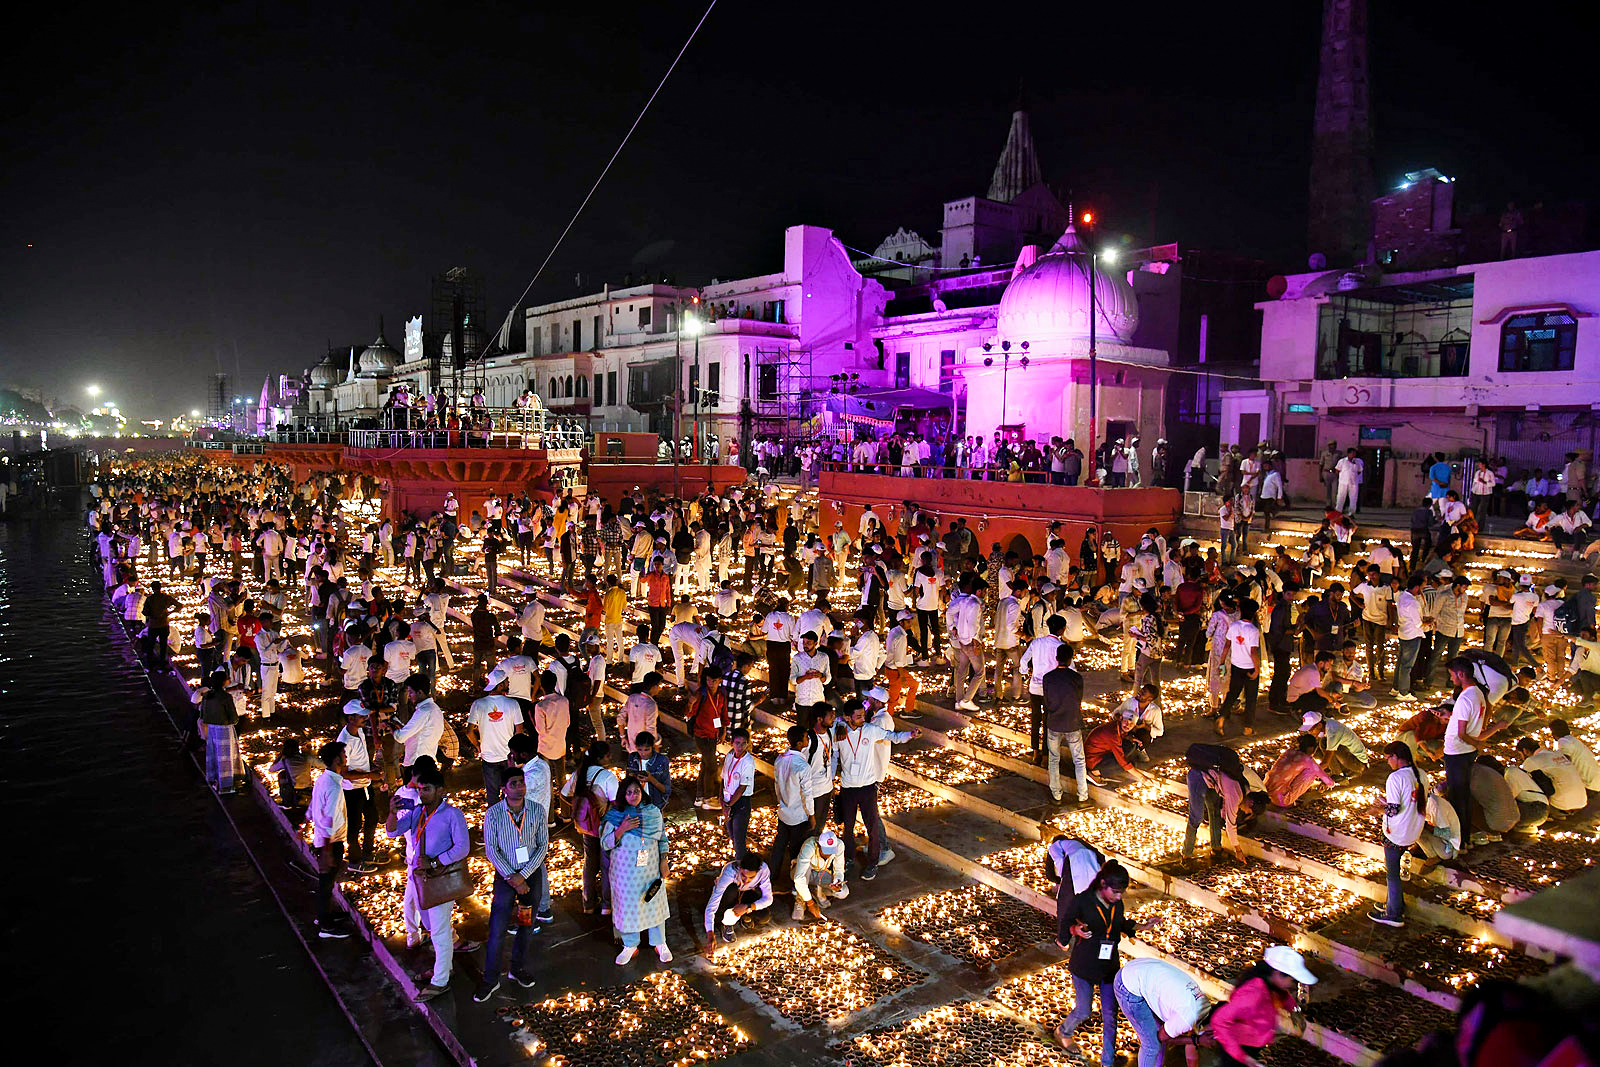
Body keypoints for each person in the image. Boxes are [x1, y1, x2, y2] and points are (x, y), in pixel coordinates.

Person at [1055, 860, 1159, 1065]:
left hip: (1109, 966)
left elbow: (1120, 922)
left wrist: (1144, 926)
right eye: (1116, 892)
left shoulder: (1116, 904)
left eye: (1121, 893)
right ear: (1103, 885)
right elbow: (1066, 920)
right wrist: (1072, 933)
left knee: (1110, 1016)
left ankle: (1107, 1062)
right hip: (1085, 965)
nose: (1119, 897)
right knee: (1084, 1009)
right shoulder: (1082, 901)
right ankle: (1064, 1031)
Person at [385, 764, 471, 1001]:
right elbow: (392, 833)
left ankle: (440, 980)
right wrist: (392, 813)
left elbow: (462, 848)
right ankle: (444, 968)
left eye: (427, 789)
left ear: (441, 790)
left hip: (438, 879)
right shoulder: (417, 813)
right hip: (417, 877)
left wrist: (434, 862)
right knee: (430, 925)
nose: (422, 794)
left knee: (440, 929)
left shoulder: (452, 815)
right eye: (420, 789)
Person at [477, 767, 548, 1001]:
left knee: (526, 924)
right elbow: (491, 850)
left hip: (530, 877)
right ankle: (490, 978)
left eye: (521, 782)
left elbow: (542, 847)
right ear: (503, 789)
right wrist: (512, 877)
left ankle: (517, 969)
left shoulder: (536, 810)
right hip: (506, 878)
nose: (519, 787)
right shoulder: (494, 814)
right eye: (514, 783)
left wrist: (524, 875)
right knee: (498, 927)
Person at [835, 698, 919, 881]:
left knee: (872, 826)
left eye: (863, 715)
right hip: (848, 787)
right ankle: (848, 858)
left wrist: (910, 735)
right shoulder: (839, 731)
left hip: (867, 787)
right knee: (847, 827)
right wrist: (839, 724)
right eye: (858, 717)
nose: (862, 719)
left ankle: (872, 863)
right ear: (847, 717)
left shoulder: (871, 730)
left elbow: (892, 736)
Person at [602, 776, 672, 964]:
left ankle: (660, 942)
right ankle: (630, 944)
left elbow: (662, 839)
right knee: (628, 908)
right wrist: (621, 829)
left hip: (650, 871)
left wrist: (664, 860)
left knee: (653, 903)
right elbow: (605, 843)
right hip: (625, 874)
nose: (634, 795)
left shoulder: (653, 813)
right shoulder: (616, 816)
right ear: (623, 795)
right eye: (629, 792)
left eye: (637, 791)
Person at [1208, 947, 1317, 1066]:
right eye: (1293, 981)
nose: (1294, 986)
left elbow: (1284, 997)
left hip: (1256, 1043)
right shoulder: (1253, 995)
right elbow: (1219, 1020)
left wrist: (1295, 1010)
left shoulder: (1272, 986)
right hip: (1240, 1049)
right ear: (1277, 974)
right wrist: (1243, 1057)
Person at [1114, 956, 1211, 1067]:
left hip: (1141, 968)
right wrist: (1196, 1040)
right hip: (1127, 985)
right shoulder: (1188, 1018)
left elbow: (1190, 1042)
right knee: (1151, 1045)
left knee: (1162, 1031)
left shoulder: (1205, 1006)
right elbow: (1162, 1038)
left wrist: (1196, 1040)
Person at [1180, 743, 1265, 867]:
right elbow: (1231, 825)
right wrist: (1238, 850)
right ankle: (1186, 854)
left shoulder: (1244, 789)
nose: (1246, 812)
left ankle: (1216, 848)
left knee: (1214, 812)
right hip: (1198, 776)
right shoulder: (1236, 796)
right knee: (1197, 816)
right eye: (1249, 811)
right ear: (1250, 802)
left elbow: (1225, 812)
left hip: (1212, 781)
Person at [1369, 741, 1425, 928]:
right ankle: (1394, 903)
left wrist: (1378, 809)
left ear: (1396, 756)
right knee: (1393, 871)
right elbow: (1410, 801)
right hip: (1413, 830)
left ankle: (1394, 914)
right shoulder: (1421, 774)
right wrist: (1386, 803)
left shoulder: (1395, 778)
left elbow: (1392, 811)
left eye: (1388, 758)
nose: (1387, 762)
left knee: (1392, 873)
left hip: (1397, 833)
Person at [562, 740, 619, 915]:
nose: (610, 757)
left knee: (589, 863)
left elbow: (564, 794)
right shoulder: (607, 777)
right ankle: (607, 906)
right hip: (604, 827)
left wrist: (580, 810)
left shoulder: (579, 773)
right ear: (601, 758)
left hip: (585, 827)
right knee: (607, 865)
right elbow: (616, 803)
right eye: (608, 755)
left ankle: (588, 903)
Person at [309, 741, 353, 939]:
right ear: (337, 759)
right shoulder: (334, 787)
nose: (346, 757)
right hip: (331, 842)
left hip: (324, 839)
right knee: (326, 884)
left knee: (326, 883)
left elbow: (313, 804)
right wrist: (327, 852)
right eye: (343, 754)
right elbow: (328, 819)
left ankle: (324, 916)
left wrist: (304, 822)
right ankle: (325, 927)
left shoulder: (324, 779)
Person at [467, 674, 525, 804]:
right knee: (511, 793)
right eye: (506, 682)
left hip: (489, 756)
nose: (508, 683)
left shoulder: (478, 704)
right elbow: (519, 731)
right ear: (500, 685)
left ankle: (494, 821)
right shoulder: (512, 703)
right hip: (508, 756)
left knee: (492, 794)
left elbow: (469, 732)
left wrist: (478, 746)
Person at [1043, 644, 1088, 805]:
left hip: (1055, 722)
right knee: (1079, 760)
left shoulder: (1048, 677)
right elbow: (1078, 699)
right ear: (1071, 659)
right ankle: (1083, 794)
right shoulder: (1076, 678)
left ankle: (1057, 794)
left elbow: (1047, 701)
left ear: (1057, 658)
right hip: (1073, 722)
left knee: (1054, 759)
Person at [702, 852, 773, 949]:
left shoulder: (764, 869)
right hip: (729, 895)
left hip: (745, 893)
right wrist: (710, 933)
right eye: (743, 875)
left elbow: (768, 899)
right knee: (731, 890)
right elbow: (712, 904)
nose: (746, 880)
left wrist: (747, 907)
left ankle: (744, 916)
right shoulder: (729, 872)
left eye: (751, 877)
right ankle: (727, 924)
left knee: (764, 916)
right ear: (740, 868)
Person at [1216, 598, 1261, 737]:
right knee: (1251, 697)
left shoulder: (1234, 626)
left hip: (1236, 665)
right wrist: (1257, 669)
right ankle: (1248, 727)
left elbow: (1227, 645)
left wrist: (1221, 662)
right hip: (1249, 667)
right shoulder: (1253, 630)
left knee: (1233, 693)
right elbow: (1253, 652)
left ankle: (1221, 718)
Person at [686, 668, 727, 809]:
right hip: (701, 735)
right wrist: (691, 703)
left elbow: (723, 714)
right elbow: (689, 712)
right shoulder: (701, 694)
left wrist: (723, 731)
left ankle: (699, 797)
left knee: (705, 765)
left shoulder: (721, 695)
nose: (711, 683)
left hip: (713, 734)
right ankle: (709, 798)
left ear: (720, 681)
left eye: (715, 680)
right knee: (711, 766)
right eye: (709, 680)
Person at [791, 828, 848, 921]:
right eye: (825, 851)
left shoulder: (840, 845)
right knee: (802, 878)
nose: (828, 855)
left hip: (821, 873)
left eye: (831, 851)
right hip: (805, 871)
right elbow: (799, 877)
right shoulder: (809, 846)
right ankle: (800, 900)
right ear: (818, 845)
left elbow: (839, 868)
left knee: (843, 892)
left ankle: (815, 890)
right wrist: (810, 903)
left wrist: (837, 881)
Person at [1264, 734, 1336, 808]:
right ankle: (1290, 800)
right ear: (1312, 748)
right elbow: (1327, 780)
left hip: (1265, 791)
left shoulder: (1288, 751)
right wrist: (1332, 784)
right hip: (1280, 800)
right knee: (1311, 772)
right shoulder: (1308, 760)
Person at [1300, 710, 1370, 777]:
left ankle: (1338, 775)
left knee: (1327, 746)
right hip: (1348, 753)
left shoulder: (1333, 732)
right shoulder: (1326, 723)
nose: (1309, 732)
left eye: (1310, 730)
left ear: (1319, 725)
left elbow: (1325, 763)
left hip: (1358, 763)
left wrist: (1309, 774)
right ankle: (1335, 771)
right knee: (1323, 743)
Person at [720, 727, 756, 856]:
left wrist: (729, 806)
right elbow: (723, 779)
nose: (740, 747)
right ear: (731, 743)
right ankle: (740, 861)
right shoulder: (729, 756)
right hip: (728, 799)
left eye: (744, 743)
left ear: (748, 743)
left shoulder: (748, 762)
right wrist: (722, 802)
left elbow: (742, 787)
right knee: (732, 835)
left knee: (739, 837)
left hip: (741, 802)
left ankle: (742, 865)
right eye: (737, 743)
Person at [625, 731, 672, 810]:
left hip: (655, 804)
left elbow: (666, 789)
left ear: (652, 747)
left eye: (647, 750)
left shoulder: (661, 761)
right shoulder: (632, 758)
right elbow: (627, 783)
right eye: (640, 749)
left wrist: (651, 779)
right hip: (636, 804)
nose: (643, 753)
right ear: (636, 747)